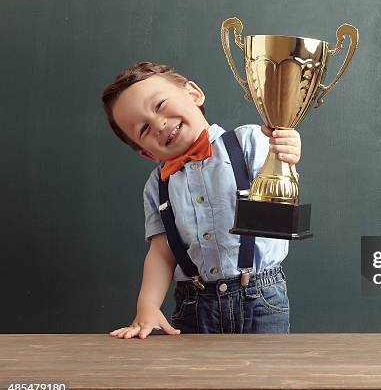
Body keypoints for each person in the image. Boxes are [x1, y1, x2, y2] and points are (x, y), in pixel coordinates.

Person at [101, 62, 301, 338]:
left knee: (263, 378)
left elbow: (279, 225)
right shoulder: (156, 186)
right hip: (193, 305)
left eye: (159, 105)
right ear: (146, 153)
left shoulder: (250, 141)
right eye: (144, 129)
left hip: (259, 297)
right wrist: (147, 305)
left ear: (193, 94)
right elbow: (162, 250)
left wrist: (284, 159)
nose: (158, 124)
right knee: (196, 380)